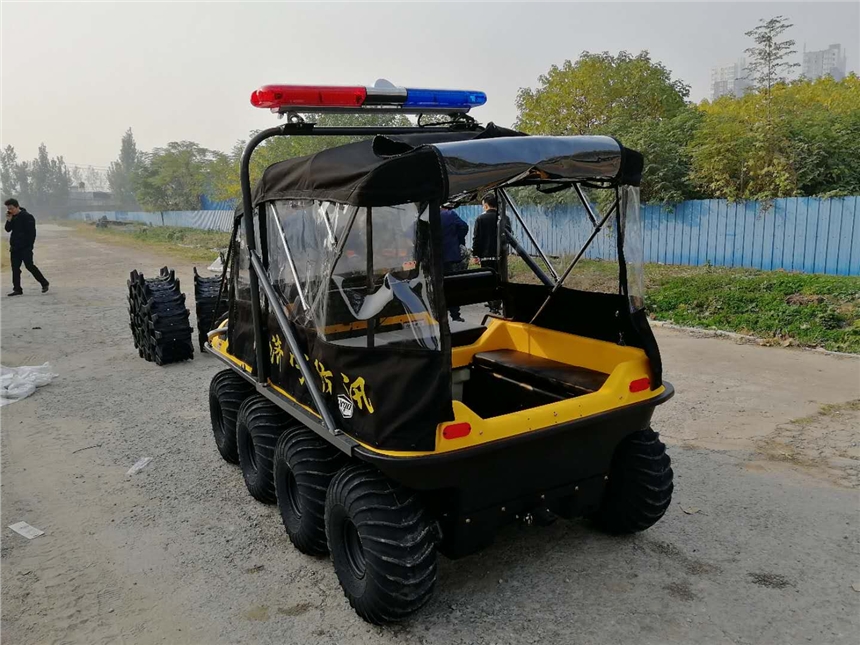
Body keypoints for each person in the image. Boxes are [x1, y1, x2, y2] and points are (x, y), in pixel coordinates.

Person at [5, 198, 49, 297]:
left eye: (11, 208)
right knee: (15, 268)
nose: (10, 210)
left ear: (17, 206)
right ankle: (17, 289)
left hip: (25, 247)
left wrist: (29, 246)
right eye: (8, 209)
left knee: (29, 266)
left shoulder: (27, 217)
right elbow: (7, 229)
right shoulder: (12, 217)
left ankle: (44, 283)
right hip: (15, 247)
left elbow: (32, 233)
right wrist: (9, 220)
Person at [471, 193, 502, 314]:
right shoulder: (502, 218)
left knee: (488, 280)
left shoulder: (480, 219)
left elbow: (476, 238)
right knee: (500, 279)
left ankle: (492, 304)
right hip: (500, 255)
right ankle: (498, 303)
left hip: (486, 256)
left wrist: (475, 255)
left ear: (486, 205)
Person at [440, 204, 469, 322]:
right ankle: (455, 315)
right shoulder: (449, 214)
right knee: (450, 285)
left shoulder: (421, 216)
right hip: (448, 255)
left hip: (429, 258)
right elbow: (464, 226)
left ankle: (437, 316)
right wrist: (455, 240)